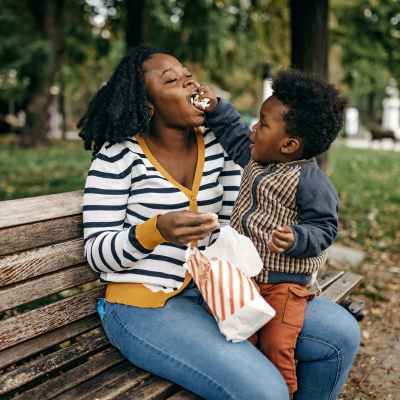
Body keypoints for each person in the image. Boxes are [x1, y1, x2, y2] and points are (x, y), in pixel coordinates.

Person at [80, 46, 360, 400]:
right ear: (148, 103)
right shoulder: (117, 157)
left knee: (341, 334)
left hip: (218, 291)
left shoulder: (216, 146)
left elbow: (241, 211)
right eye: (172, 80)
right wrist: (156, 230)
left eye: (187, 74)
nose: (189, 81)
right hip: (143, 306)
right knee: (266, 391)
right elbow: (97, 254)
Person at [201, 69, 356, 396]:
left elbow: (325, 228)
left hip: (285, 286)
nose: (254, 128)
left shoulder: (311, 182)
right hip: (247, 276)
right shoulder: (257, 157)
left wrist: (298, 238)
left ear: (289, 144)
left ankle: (281, 391)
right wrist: (215, 107)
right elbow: (232, 132)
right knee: (245, 337)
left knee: (276, 345)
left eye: (263, 124)